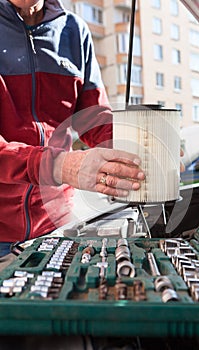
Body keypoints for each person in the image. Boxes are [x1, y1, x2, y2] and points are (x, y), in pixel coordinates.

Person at [0, 0, 146, 257]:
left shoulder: (74, 30)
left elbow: (94, 118)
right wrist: (58, 166)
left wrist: (133, 147)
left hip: (56, 226)